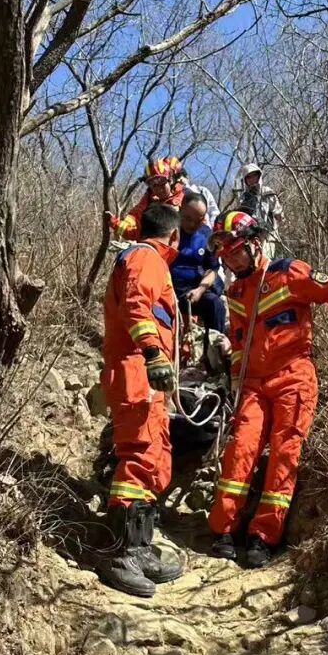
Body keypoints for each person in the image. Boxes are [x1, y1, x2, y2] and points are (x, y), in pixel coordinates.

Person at [206, 211, 328, 567]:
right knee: (240, 450)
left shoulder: (288, 273)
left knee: (285, 453)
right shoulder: (234, 292)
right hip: (251, 384)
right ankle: (223, 529)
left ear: (253, 244)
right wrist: (235, 379)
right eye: (226, 255)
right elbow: (239, 342)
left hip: (293, 377)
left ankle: (263, 537)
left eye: (235, 251)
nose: (231, 260)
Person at [100, 201, 184, 598]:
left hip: (148, 377)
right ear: (175, 236)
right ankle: (122, 555)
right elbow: (136, 304)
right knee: (138, 458)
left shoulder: (146, 259)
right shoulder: (146, 258)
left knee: (155, 460)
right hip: (138, 371)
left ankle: (142, 547)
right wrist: (153, 351)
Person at [112, 155, 219, 240]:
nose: (158, 188)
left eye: (162, 182)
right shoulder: (147, 202)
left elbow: (202, 221)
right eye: (153, 184)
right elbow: (136, 225)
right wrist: (118, 224)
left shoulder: (186, 195)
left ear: (171, 180)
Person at [171, 192, 226, 333]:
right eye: (187, 218)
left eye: (198, 220)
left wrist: (200, 290)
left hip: (194, 292)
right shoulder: (168, 228)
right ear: (180, 210)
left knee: (216, 305)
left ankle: (214, 351)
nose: (192, 224)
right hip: (168, 291)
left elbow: (212, 269)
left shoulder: (206, 234)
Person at [231, 162, 282, 257]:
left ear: (259, 176)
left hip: (268, 234)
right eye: (249, 177)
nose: (252, 179)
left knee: (266, 260)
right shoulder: (243, 197)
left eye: (254, 176)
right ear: (245, 180)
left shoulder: (267, 192)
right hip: (250, 235)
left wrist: (275, 226)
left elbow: (278, 213)